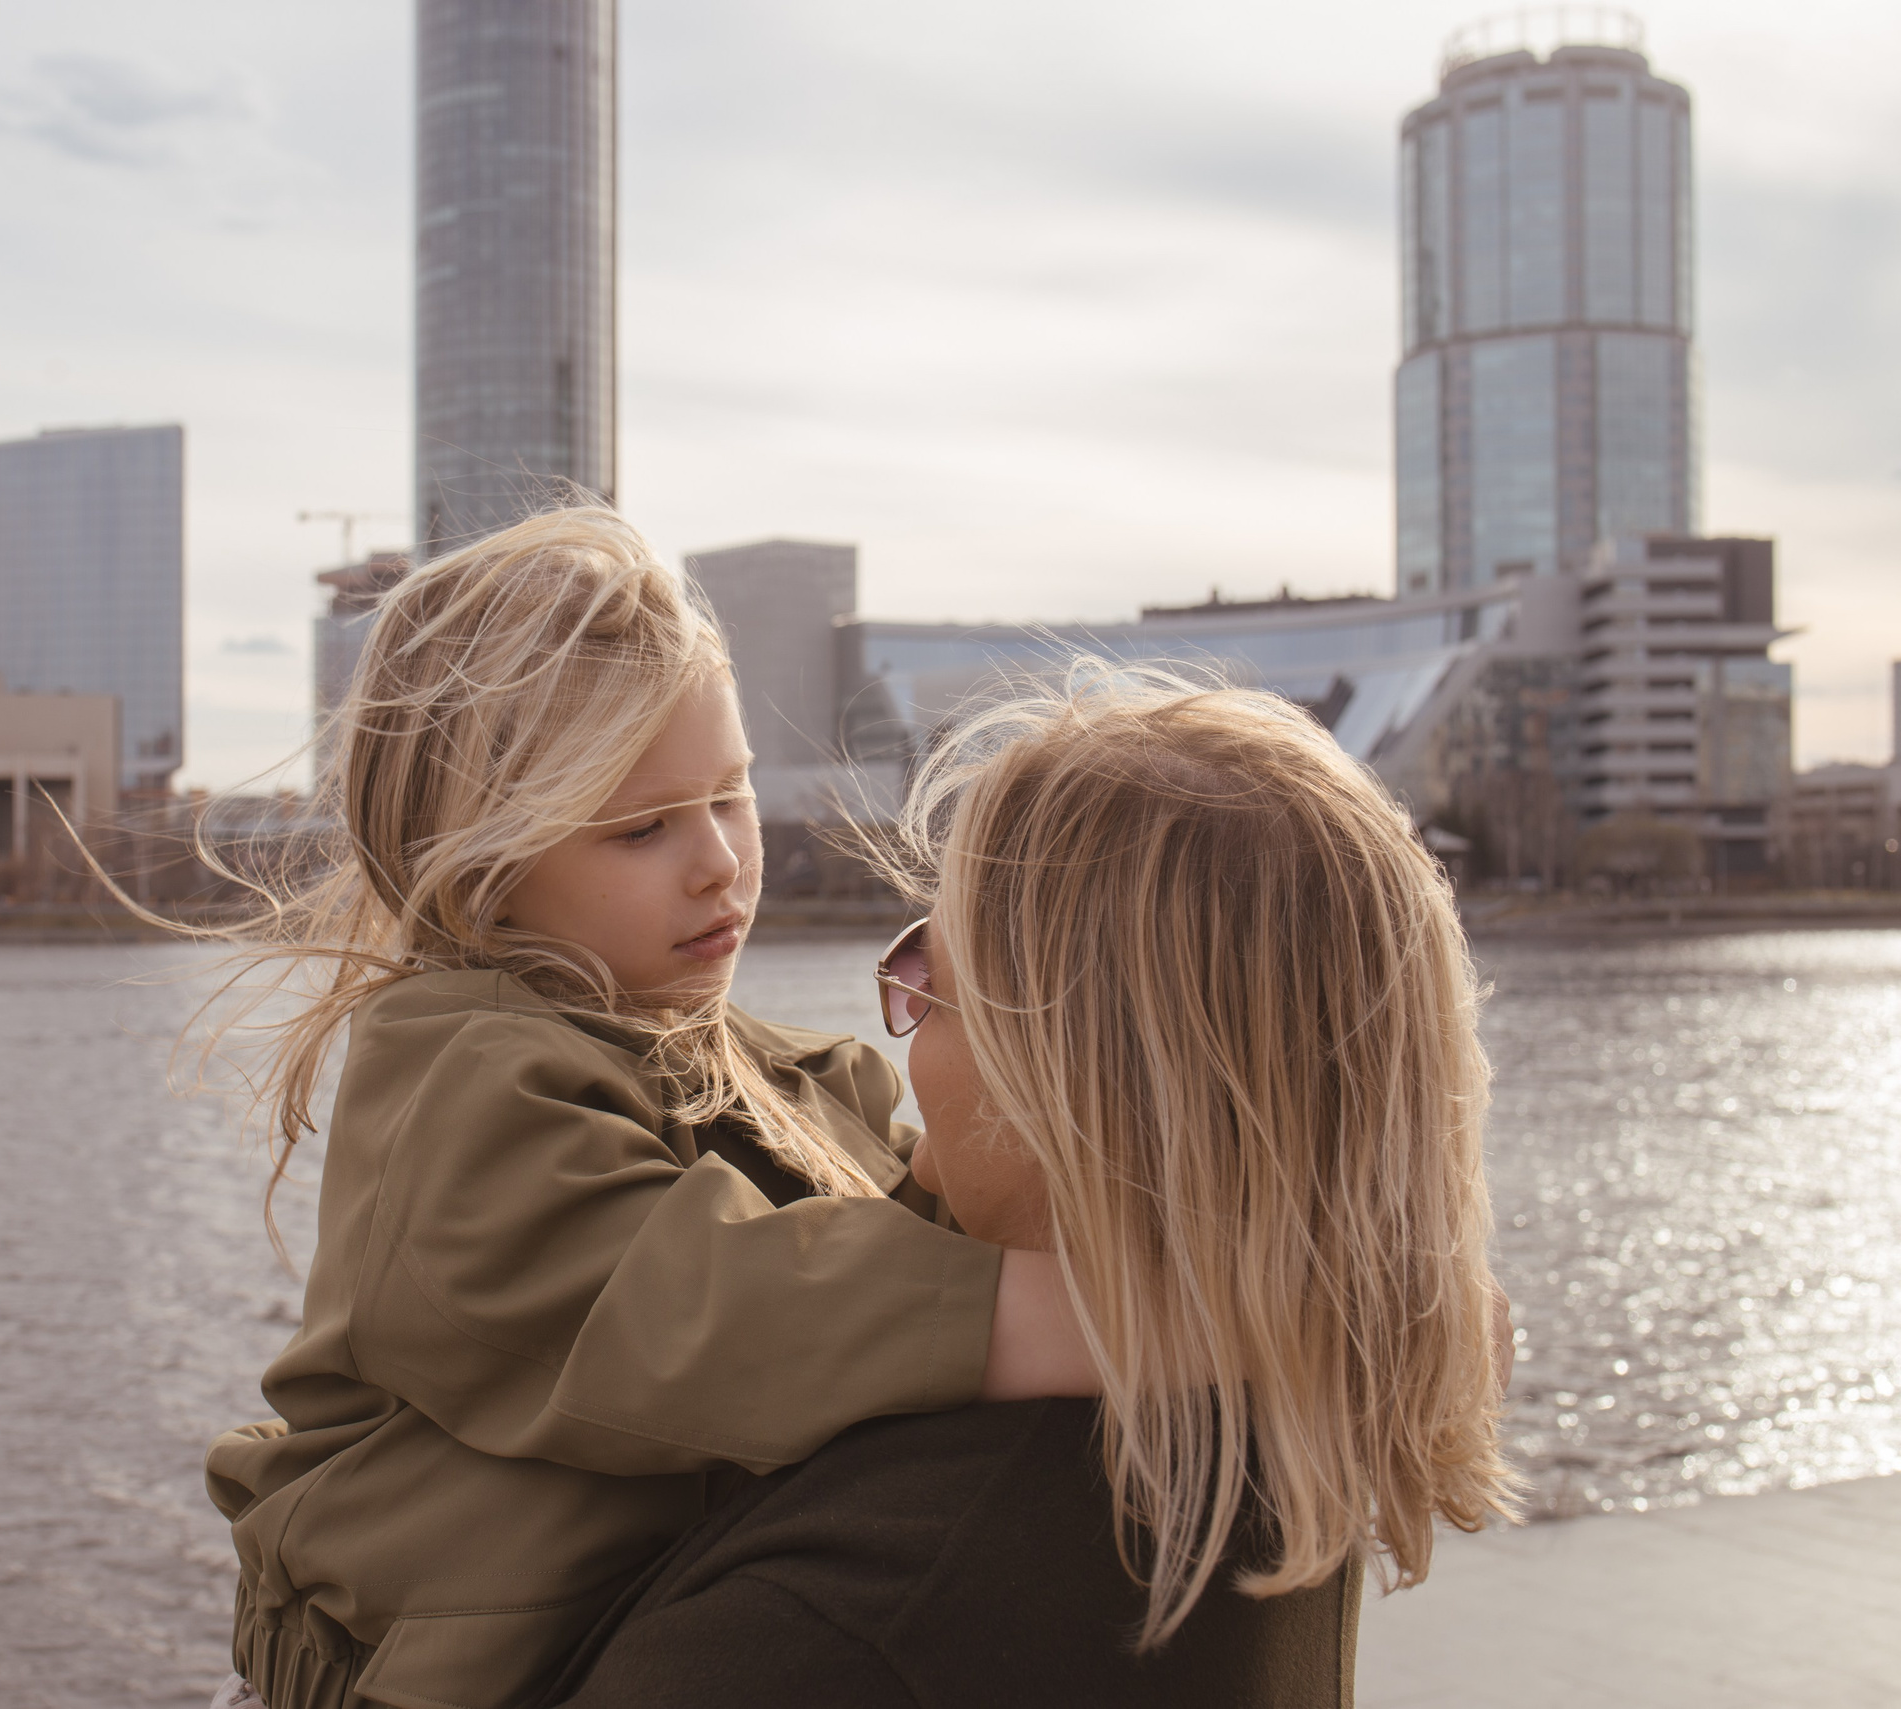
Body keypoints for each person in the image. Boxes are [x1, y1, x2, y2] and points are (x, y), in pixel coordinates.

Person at [184, 509, 1093, 1709]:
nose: (718, 859)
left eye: (730, 795)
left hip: (650, 1627)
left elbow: (887, 1231)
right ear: (485, 865)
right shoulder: (465, 1087)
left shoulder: (796, 1077)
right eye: (640, 827)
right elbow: (685, 1308)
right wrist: (1093, 1319)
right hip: (416, 1673)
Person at [549, 676, 1519, 1707]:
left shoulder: (851, 1620)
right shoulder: (1267, 1430)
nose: (902, 1032)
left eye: (932, 981)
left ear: (1070, 1079)